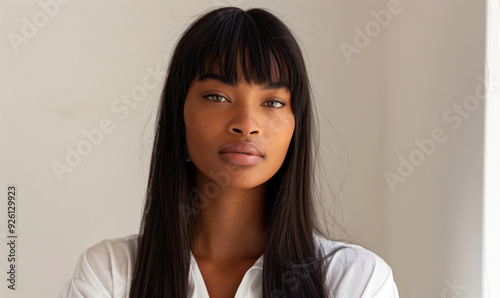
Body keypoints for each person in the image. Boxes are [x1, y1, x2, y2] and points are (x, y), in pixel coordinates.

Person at [59, 6, 399, 298]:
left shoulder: (356, 281)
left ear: (297, 125)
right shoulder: (109, 275)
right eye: (217, 97)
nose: (247, 124)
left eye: (273, 102)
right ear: (179, 113)